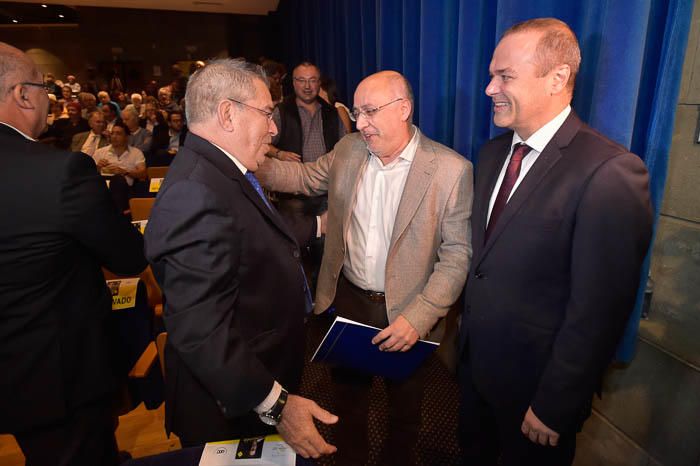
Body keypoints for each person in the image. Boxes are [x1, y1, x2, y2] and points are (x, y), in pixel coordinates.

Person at [457, 18, 653, 466]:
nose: (490, 88)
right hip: (475, 377)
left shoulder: (610, 172)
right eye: (492, 74)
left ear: (558, 78)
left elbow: (600, 309)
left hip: (537, 396)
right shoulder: (490, 156)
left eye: (505, 76)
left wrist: (555, 403)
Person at [257, 70, 472, 465]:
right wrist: (249, 159)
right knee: (347, 403)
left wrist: (421, 317)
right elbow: (304, 177)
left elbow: (457, 255)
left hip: (407, 313)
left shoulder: (450, 170)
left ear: (404, 109)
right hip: (349, 303)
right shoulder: (350, 150)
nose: (361, 124)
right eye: (357, 113)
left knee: (405, 413)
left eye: (371, 112)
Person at [144, 58, 338, 458]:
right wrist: (277, 405)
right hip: (229, 406)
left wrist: (319, 225)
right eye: (267, 113)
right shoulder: (195, 192)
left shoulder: (222, 171)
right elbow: (201, 330)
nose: (274, 127)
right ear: (228, 113)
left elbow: (255, 233)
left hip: (253, 375)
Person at [0, 41, 147, 466]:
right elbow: (128, 257)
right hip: (62, 377)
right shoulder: (60, 171)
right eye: (44, 88)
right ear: (23, 94)